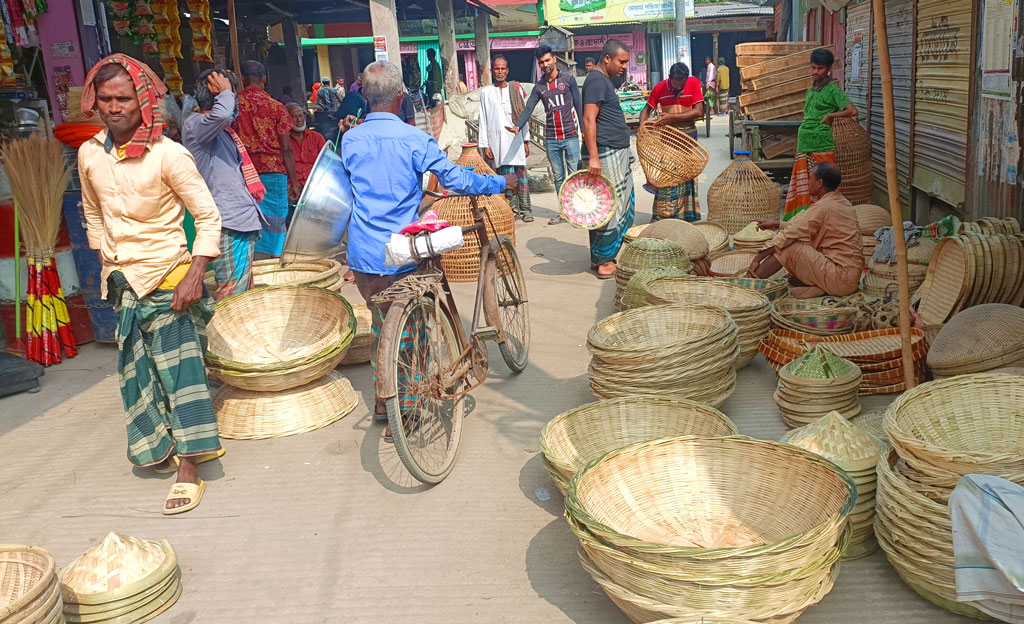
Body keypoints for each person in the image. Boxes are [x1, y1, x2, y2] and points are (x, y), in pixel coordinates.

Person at [78, 54, 223, 516]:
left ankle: (190, 464)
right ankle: (158, 446)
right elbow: (92, 210)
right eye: (106, 99)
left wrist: (196, 274)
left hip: (168, 276)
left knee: (180, 376)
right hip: (122, 281)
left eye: (124, 98)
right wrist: (102, 250)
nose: (115, 107)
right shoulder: (88, 155)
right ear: (95, 103)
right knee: (136, 372)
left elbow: (207, 216)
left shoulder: (168, 154)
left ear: (143, 102)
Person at [341, 60, 514, 437]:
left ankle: (382, 400)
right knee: (413, 329)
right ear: (400, 98)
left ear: (364, 97)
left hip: (364, 253)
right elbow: (453, 177)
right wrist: (498, 182)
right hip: (401, 252)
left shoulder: (350, 139)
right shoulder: (413, 139)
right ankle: (407, 408)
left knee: (382, 323)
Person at [183, 68, 267, 301]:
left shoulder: (219, 131)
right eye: (231, 93)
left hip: (239, 219)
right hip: (227, 222)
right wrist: (226, 92)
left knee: (242, 291)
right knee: (232, 295)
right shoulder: (197, 124)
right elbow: (221, 116)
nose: (234, 99)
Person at [748, 162, 863, 298]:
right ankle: (820, 287)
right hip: (849, 278)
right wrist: (777, 224)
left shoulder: (823, 207)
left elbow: (791, 234)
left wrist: (758, 258)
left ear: (819, 183)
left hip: (840, 278)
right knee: (798, 241)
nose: (808, 182)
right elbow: (803, 227)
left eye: (810, 178)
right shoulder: (841, 202)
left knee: (789, 247)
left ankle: (749, 283)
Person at [506, 44, 584, 225]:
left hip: (571, 135)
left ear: (554, 60)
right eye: (541, 62)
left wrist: (585, 132)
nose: (545, 64)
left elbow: (579, 106)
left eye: (547, 60)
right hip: (552, 139)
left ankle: (578, 211)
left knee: (574, 175)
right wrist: (518, 126)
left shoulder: (568, 79)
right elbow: (528, 108)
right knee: (558, 177)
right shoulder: (539, 87)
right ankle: (565, 212)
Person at [581, 39, 634, 279]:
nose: (624, 66)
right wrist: (594, 157)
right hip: (606, 153)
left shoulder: (603, 81)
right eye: (621, 61)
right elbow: (589, 120)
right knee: (611, 207)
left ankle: (599, 257)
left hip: (613, 151)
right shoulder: (596, 80)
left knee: (604, 207)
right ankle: (605, 261)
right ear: (607, 59)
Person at [785, 47, 859, 221]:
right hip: (804, 146)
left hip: (822, 146)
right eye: (813, 68)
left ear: (828, 69)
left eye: (820, 68)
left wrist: (831, 115)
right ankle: (802, 223)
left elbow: (852, 111)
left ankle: (828, 222)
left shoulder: (833, 90)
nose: (815, 72)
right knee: (803, 188)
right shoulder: (811, 90)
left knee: (825, 188)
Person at [233, 60, 298, 257]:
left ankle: (252, 260)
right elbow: (286, 149)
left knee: (249, 217)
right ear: (264, 78)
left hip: (245, 170)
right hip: (275, 171)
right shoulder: (277, 108)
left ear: (243, 79)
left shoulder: (235, 105)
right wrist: (294, 182)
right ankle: (275, 260)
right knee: (276, 219)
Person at [638, 62, 704, 222]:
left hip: (688, 138)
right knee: (667, 179)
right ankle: (664, 217)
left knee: (688, 178)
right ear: (669, 78)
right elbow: (645, 111)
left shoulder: (693, 83)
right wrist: (643, 128)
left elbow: (699, 111)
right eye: (676, 86)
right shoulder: (660, 88)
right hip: (667, 140)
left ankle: (688, 217)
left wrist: (672, 117)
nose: (679, 88)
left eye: (682, 85)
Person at [478, 55, 532, 222]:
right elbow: (483, 119)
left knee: (521, 174)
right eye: (497, 69)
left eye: (503, 69)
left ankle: (526, 209)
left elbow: (523, 116)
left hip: (515, 139)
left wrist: (526, 140)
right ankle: (512, 207)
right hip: (497, 141)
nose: (500, 72)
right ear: (492, 71)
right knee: (506, 174)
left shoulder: (515, 90)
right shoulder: (486, 92)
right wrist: (485, 145)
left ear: (507, 71)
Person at [286, 101, 326, 194]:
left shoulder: (317, 137)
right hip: (292, 187)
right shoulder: (284, 140)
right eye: (294, 117)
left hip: (315, 185)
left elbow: (326, 163)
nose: (299, 120)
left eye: (301, 116)